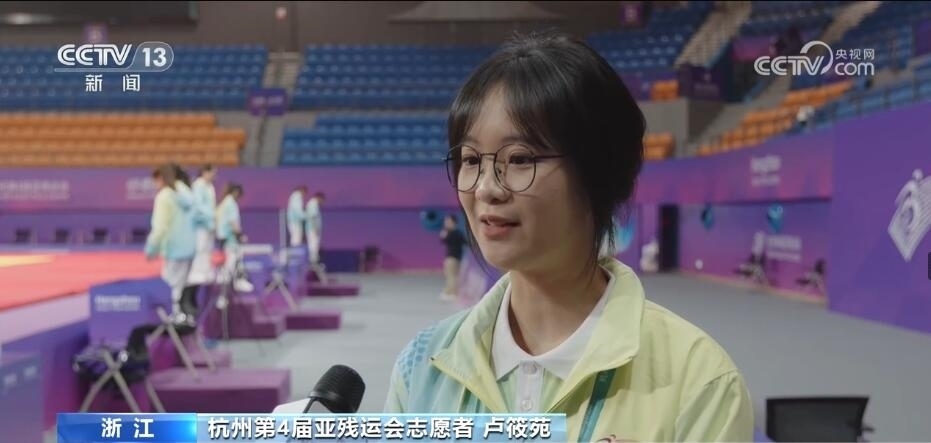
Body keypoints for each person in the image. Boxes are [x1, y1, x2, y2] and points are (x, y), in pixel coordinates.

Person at [384, 31, 753, 442]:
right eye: (470, 159)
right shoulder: (422, 369)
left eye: (519, 159)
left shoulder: (698, 383)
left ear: (599, 171)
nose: (486, 188)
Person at [144, 164, 196, 324]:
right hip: (189, 248)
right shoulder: (187, 193)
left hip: (173, 248)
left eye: (156, 180)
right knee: (179, 286)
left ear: (162, 178)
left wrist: (151, 248)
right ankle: (178, 315)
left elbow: (160, 227)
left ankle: (173, 318)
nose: (155, 185)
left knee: (169, 286)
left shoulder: (165, 196)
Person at [216, 183, 253, 293]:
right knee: (230, 266)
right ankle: (225, 294)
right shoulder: (231, 203)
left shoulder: (224, 203)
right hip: (230, 240)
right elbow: (233, 223)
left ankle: (225, 294)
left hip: (223, 239)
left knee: (226, 267)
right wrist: (240, 236)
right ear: (236, 192)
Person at [188, 164, 218, 286]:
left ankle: (206, 270)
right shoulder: (198, 185)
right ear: (205, 172)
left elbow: (212, 205)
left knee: (208, 248)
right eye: (212, 173)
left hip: (209, 222)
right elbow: (198, 205)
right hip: (200, 223)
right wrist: (210, 215)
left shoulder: (210, 186)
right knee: (200, 247)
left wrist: (213, 218)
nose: (214, 176)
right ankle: (196, 271)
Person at [439, 214, 466, 301]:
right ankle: (450, 291)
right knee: (452, 275)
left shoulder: (452, 233)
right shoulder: (459, 233)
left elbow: (443, 240)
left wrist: (444, 235)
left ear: (453, 222)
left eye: (448, 221)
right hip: (457, 257)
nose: (446, 223)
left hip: (452, 257)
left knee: (451, 275)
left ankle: (453, 293)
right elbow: (465, 242)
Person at [305, 191, 325, 267]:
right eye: (322, 200)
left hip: (312, 229)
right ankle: (313, 262)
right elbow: (313, 217)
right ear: (319, 198)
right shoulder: (313, 204)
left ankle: (313, 261)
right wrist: (315, 228)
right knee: (313, 245)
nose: (322, 203)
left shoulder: (313, 204)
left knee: (314, 245)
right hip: (312, 229)